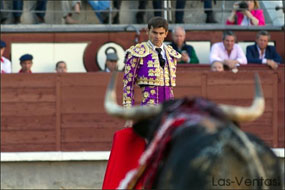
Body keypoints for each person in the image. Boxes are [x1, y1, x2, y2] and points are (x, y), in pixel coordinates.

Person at [102, 17, 181, 189]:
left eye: (161, 33)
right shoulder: (137, 53)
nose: (157, 37)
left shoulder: (172, 54)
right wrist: (129, 114)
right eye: (154, 33)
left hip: (168, 110)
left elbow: (170, 88)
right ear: (147, 31)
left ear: (166, 34)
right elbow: (128, 85)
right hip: (149, 110)